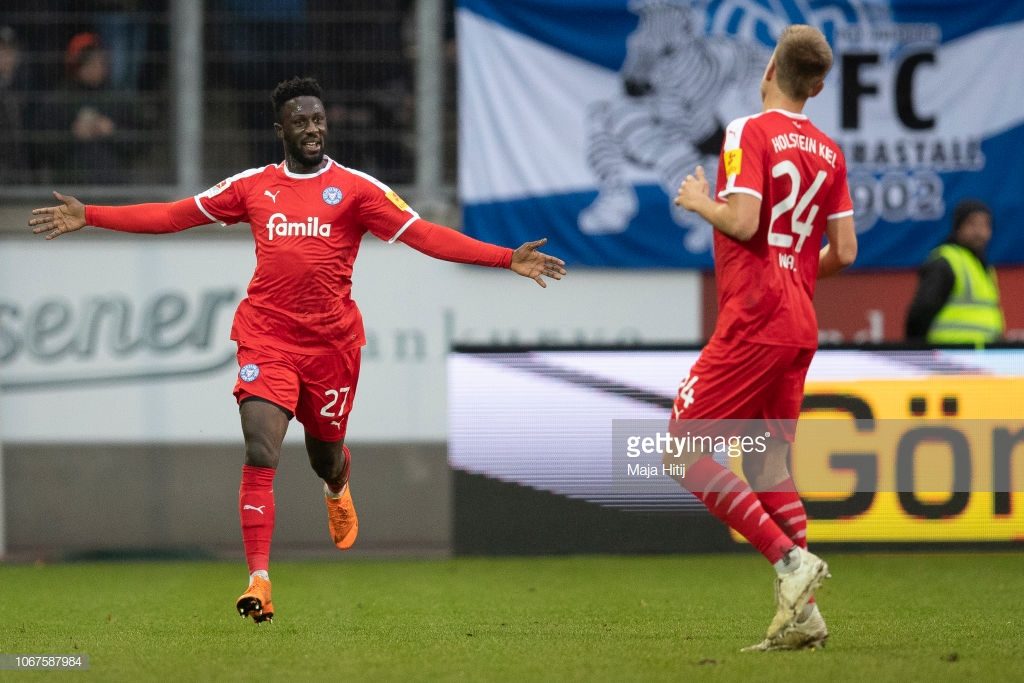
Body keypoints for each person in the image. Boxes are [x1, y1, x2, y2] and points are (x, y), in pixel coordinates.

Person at [29, 76, 566, 624]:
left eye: (318, 119)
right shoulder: (253, 186)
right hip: (267, 336)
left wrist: (505, 258)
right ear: (279, 128)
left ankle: (337, 485)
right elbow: (175, 215)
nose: (312, 129)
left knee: (323, 456)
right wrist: (90, 214)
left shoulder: (357, 189)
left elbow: (424, 234)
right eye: (301, 121)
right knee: (261, 448)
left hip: (332, 348)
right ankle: (259, 581)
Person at [671, 25, 857, 651]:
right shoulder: (830, 151)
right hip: (799, 318)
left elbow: (745, 220)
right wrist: (796, 270)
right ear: (820, 84)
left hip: (755, 316)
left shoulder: (746, 131)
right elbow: (847, 251)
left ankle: (787, 560)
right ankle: (805, 618)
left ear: (770, 68)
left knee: (679, 450)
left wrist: (700, 202)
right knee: (771, 461)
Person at [905, 199, 1003, 346]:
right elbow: (921, 313)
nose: (980, 232)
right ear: (958, 227)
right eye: (972, 224)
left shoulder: (985, 268)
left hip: (984, 356)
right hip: (950, 356)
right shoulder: (945, 261)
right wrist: (917, 351)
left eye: (985, 225)